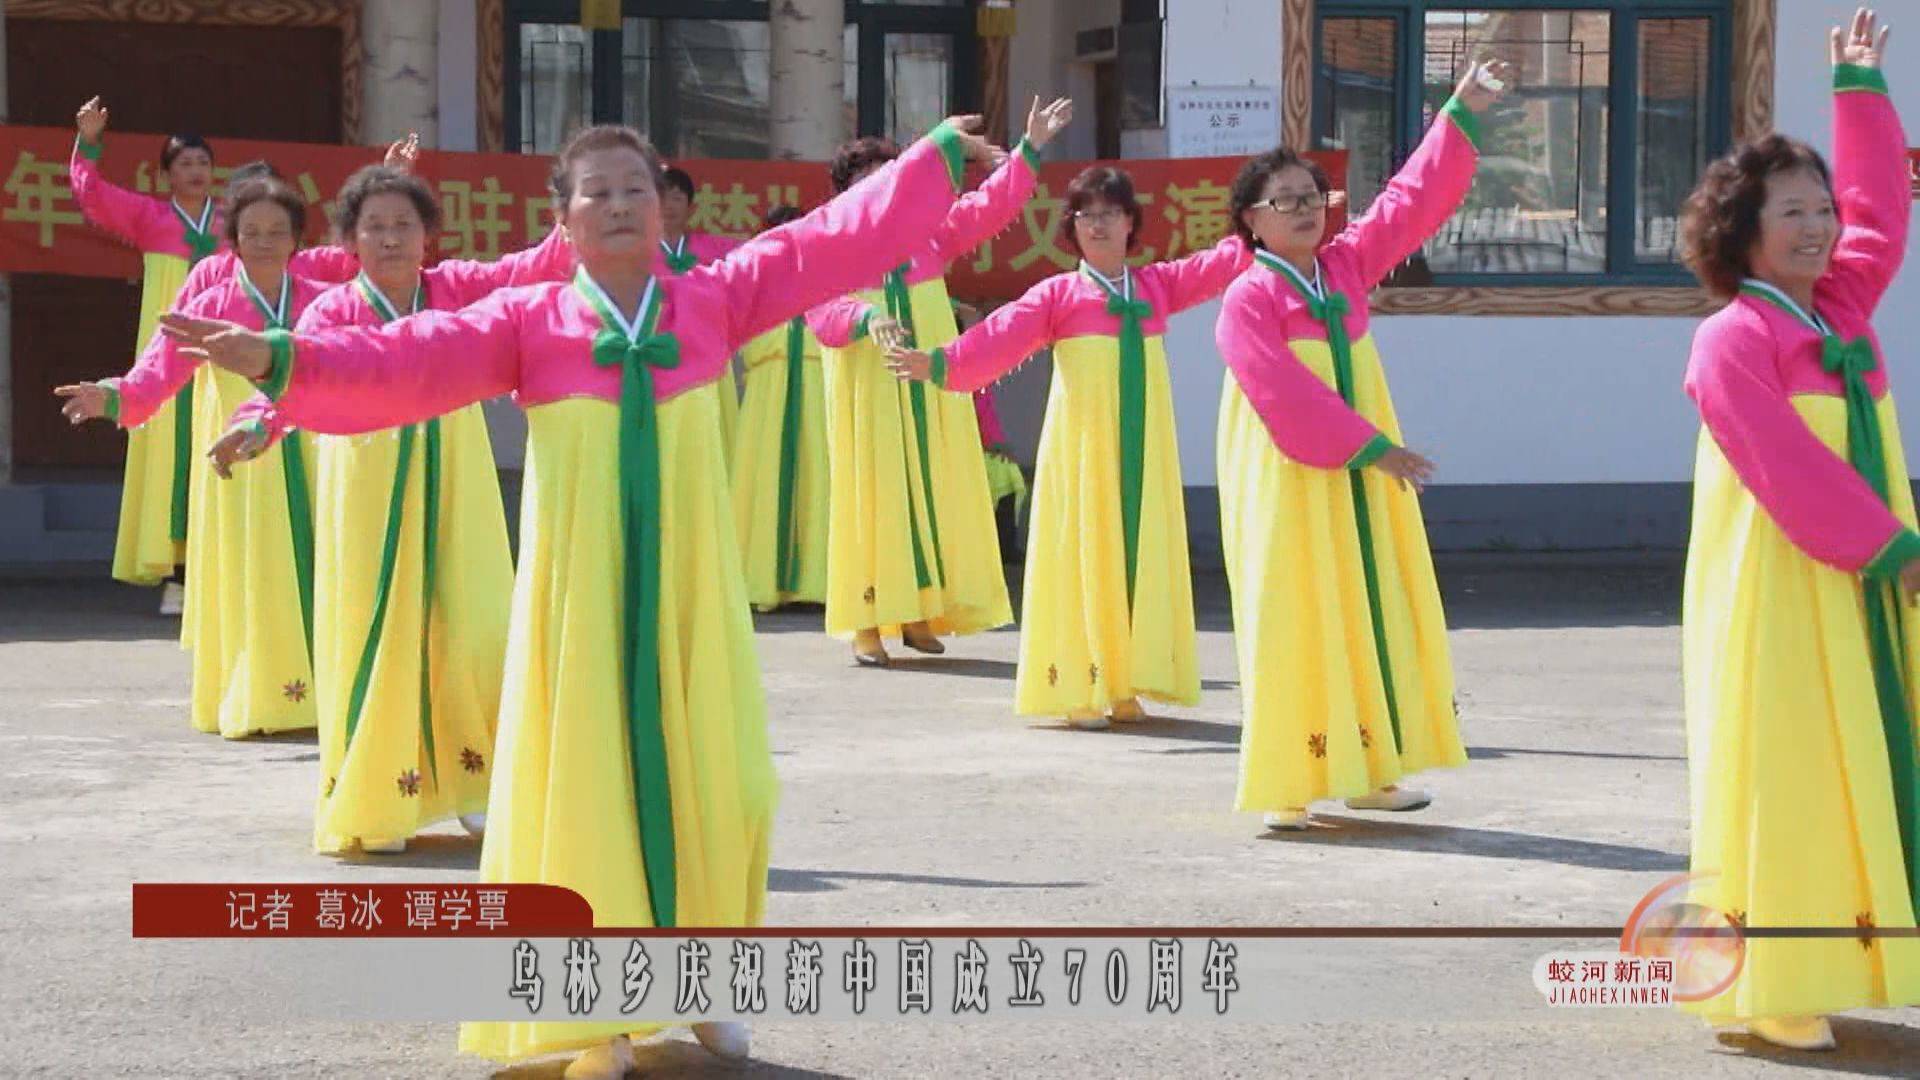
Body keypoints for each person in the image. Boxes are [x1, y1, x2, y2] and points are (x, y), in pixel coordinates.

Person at [158, 116, 1002, 1076]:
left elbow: (827, 243)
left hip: (693, 601)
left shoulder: (715, 299)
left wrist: (931, 159)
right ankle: (590, 1012)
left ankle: (707, 980)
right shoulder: (529, 323)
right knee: (582, 790)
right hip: (579, 608)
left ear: (662, 206)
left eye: (634, 189)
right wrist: (280, 364)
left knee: (725, 782)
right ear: (563, 217)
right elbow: (407, 360)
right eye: (595, 192)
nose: (618, 205)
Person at [1676, 9, 1919, 1050]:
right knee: (1789, 767)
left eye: (1820, 209)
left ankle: (1854, 956)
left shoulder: (1842, 312)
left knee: (1864, 757)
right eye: (1791, 213)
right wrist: (1892, 547)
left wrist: (1859, 86)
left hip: (1862, 576)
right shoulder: (1732, 338)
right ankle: (1767, 986)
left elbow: (1879, 212)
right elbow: (1784, 468)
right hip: (1785, 588)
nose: (1818, 227)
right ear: (1741, 230)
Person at [211, 164, 574, 855]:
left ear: (428, 235)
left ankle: (479, 787)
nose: (389, 238)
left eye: (403, 225)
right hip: (367, 488)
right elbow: (294, 376)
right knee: (375, 626)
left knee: (468, 619)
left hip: (455, 484)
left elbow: (535, 265)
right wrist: (255, 427)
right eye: (373, 226)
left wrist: (574, 210)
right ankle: (379, 795)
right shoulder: (332, 311)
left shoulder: (457, 291)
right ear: (350, 239)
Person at [1211, 60, 1508, 830]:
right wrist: (1371, 446)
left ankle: (1372, 769)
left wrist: (1461, 114)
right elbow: (1279, 390)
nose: (1305, 211)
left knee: (1364, 606)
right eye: (1286, 201)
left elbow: (1410, 204)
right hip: (1289, 476)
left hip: (1354, 470)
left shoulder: (1343, 268)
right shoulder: (1251, 295)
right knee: (1297, 611)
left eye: (1313, 198)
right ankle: (1286, 782)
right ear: (1251, 219)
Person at [886, 164, 1250, 729]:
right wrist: (937, 362)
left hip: (1145, 454)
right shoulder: (1058, 295)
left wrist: (1274, 221)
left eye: (1110, 213)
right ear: (1071, 228)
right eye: (1086, 215)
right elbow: (998, 335)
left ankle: (1126, 682)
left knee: (1140, 550)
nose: (1098, 225)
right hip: (1084, 453)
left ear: (1131, 223)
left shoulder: (1156, 287)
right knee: (1086, 550)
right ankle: (1079, 688)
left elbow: (1222, 262)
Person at [808, 95, 1072, 667]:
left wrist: (1031, 148)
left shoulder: (929, 235)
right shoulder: (830, 242)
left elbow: (990, 206)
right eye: (868, 182)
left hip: (926, 384)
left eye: (890, 179)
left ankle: (922, 610)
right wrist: (865, 317)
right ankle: (868, 618)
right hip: (868, 391)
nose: (881, 191)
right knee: (875, 496)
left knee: (931, 488)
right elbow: (819, 314)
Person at [59, 178, 326, 738]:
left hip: (310, 451)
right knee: (251, 567)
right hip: (238, 458)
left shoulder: (320, 299)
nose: (265, 241)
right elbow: (159, 370)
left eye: (278, 231)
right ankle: (259, 695)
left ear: (298, 238)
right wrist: (112, 396)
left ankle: (323, 691)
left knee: (318, 560)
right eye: (251, 231)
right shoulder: (214, 303)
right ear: (231, 240)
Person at [64, 96, 219, 607]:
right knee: (168, 445)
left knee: (220, 443)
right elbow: (92, 196)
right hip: (168, 354)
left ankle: (217, 571)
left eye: (202, 163)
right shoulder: (149, 216)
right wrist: (88, 142)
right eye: (185, 164)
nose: (195, 172)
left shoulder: (233, 225)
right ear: (167, 175)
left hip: (222, 352)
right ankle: (175, 571)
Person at [731, 205, 831, 609]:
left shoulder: (828, 279)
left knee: (817, 477)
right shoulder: (749, 281)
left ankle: (817, 581)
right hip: (768, 391)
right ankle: (759, 581)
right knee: (765, 477)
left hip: (814, 385)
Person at [657, 165, 747, 465]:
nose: (668, 206)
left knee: (710, 449)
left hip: (706, 360)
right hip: (656, 362)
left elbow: (754, 262)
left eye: (676, 198)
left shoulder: (715, 249)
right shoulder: (634, 252)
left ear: (691, 207)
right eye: (661, 197)